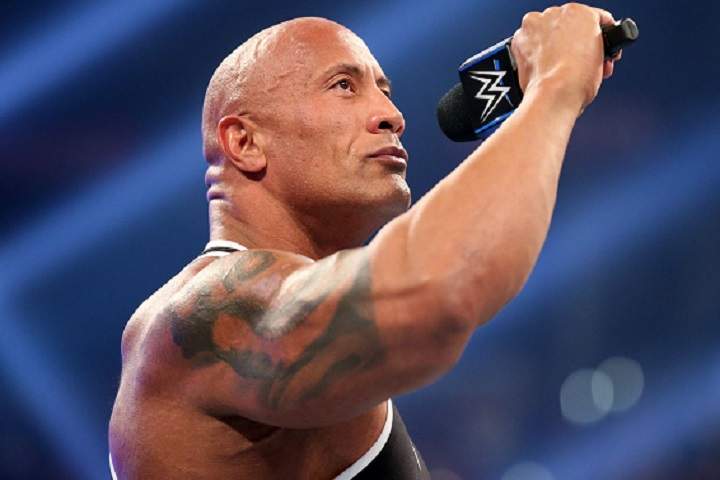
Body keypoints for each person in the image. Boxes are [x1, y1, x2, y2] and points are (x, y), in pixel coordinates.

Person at [109, 4, 621, 479]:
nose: (392, 115)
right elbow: (438, 294)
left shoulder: (282, 305)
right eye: (343, 86)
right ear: (244, 142)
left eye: (384, 89)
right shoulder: (206, 312)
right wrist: (554, 87)